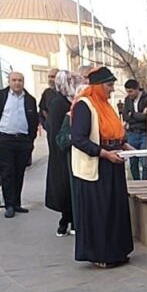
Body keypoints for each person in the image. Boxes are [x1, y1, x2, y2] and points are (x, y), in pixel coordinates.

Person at [70, 67, 133, 268]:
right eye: (109, 85)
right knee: (101, 211)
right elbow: (78, 138)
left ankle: (118, 251)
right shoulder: (84, 105)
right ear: (97, 86)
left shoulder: (107, 106)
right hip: (97, 166)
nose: (112, 89)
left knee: (116, 209)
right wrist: (104, 153)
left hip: (113, 164)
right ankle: (101, 254)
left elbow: (114, 133)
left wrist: (124, 146)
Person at [0, 71, 38, 218]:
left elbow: (34, 120)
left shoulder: (30, 100)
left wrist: (30, 140)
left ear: (23, 82)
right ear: (9, 81)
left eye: (20, 80)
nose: (17, 83)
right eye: (14, 80)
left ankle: (16, 203)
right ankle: (9, 205)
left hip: (22, 141)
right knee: (7, 173)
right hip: (4, 140)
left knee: (19, 172)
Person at [46, 70, 81, 237]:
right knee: (65, 188)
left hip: (73, 152)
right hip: (63, 154)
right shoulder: (58, 103)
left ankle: (71, 220)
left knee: (71, 187)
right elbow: (54, 131)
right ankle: (66, 221)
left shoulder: (72, 100)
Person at [122, 79, 147, 180]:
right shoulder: (127, 100)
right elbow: (125, 116)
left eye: (130, 91)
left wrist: (132, 114)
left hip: (145, 133)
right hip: (132, 133)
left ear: (137, 89)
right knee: (133, 162)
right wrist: (140, 115)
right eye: (127, 91)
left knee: (145, 162)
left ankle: (145, 184)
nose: (129, 94)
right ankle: (136, 182)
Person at [39, 68, 59, 134]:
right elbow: (43, 109)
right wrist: (46, 124)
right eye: (49, 77)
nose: (50, 79)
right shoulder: (47, 92)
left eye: (53, 77)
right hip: (51, 130)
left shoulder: (65, 92)